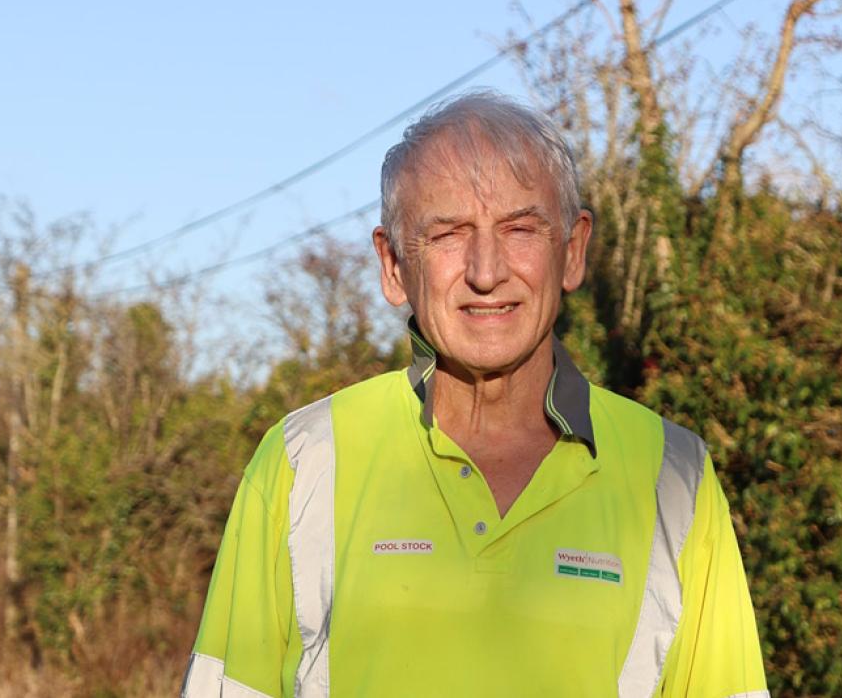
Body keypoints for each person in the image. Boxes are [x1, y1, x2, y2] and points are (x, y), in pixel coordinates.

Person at [181, 90, 767, 698]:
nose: (486, 272)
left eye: (520, 229)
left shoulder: (675, 476)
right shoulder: (301, 461)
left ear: (572, 252)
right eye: (448, 234)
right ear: (391, 265)